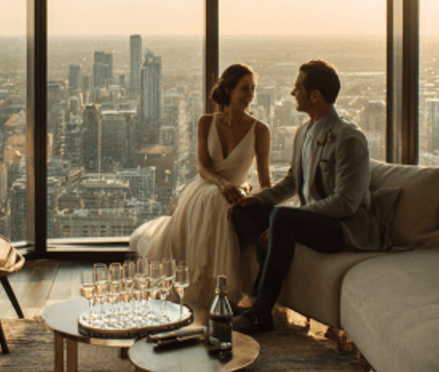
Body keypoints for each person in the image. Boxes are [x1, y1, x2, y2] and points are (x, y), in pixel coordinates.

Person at [229, 59, 388, 334]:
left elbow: (346, 203)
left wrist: (287, 219)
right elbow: (292, 182)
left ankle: (261, 312)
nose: (292, 94)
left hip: (343, 228)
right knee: (242, 212)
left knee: (282, 218)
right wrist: (259, 199)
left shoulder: (348, 138)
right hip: (311, 220)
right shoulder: (303, 132)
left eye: (296, 88)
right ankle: (275, 247)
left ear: (314, 96)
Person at [130, 63, 270, 305]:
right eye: (244, 89)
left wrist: (264, 207)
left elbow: (266, 179)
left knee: (223, 200)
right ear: (228, 90)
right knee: (216, 198)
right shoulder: (206, 122)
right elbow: (203, 167)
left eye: (253, 90)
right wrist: (222, 183)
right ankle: (210, 288)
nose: (250, 96)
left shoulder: (260, 130)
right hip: (206, 186)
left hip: (235, 191)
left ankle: (219, 288)